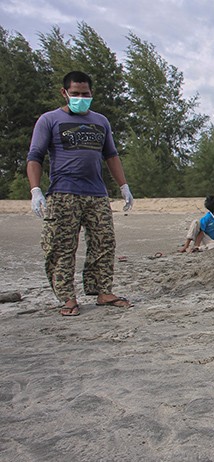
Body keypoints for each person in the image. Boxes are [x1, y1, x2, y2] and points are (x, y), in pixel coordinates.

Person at [27, 71, 134, 316]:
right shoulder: (49, 120)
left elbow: (111, 155)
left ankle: (103, 291)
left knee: (104, 242)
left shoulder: (101, 122)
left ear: (91, 93)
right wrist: (36, 190)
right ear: (64, 93)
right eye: (75, 94)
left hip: (97, 194)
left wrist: (123, 186)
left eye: (85, 94)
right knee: (61, 246)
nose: (80, 98)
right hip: (63, 193)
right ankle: (67, 297)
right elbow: (35, 156)